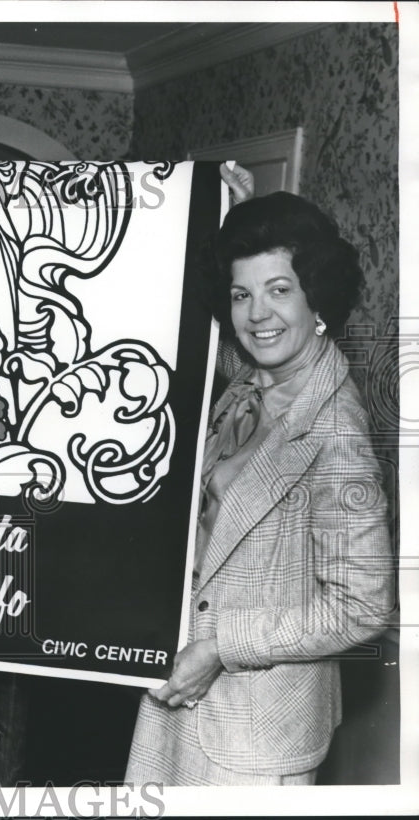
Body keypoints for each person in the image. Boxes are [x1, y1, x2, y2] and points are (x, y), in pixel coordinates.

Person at [125, 191, 395, 785]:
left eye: (280, 289)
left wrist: (222, 647)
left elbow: (364, 606)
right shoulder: (255, 376)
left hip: (253, 730)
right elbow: (208, 334)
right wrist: (225, 207)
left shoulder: (335, 432)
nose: (257, 315)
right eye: (242, 294)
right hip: (182, 696)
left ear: (316, 295)